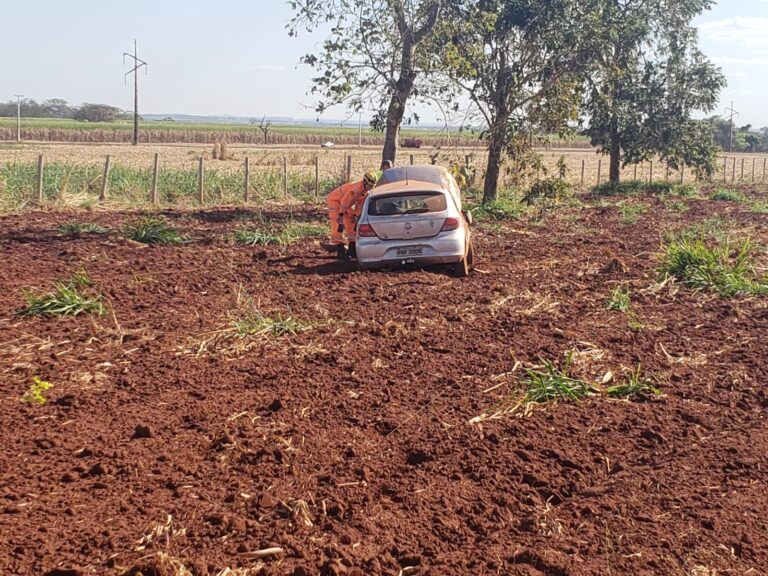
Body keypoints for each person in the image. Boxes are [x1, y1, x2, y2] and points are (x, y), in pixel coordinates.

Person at [326, 171, 377, 260]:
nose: (371, 187)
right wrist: (341, 215)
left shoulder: (366, 192)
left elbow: (359, 205)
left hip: (346, 205)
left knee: (351, 222)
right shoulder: (355, 189)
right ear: (365, 182)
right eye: (370, 185)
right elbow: (344, 202)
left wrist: (356, 215)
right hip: (335, 201)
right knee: (338, 224)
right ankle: (340, 249)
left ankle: (352, 247)